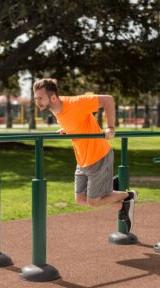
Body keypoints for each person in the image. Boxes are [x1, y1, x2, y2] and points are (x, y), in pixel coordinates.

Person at [33, 78, 137, 232]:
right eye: (35, 98)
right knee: (81, 199)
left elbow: (108, 100)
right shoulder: (56, 110)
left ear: (53, 97)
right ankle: (123, 204)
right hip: (82, 159)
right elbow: (76, 121)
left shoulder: (75, 103)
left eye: (40, 98)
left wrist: (110, 127)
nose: (37, 102)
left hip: (98, 155)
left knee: (94, 201)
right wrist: (67, 130)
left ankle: (129, 195)